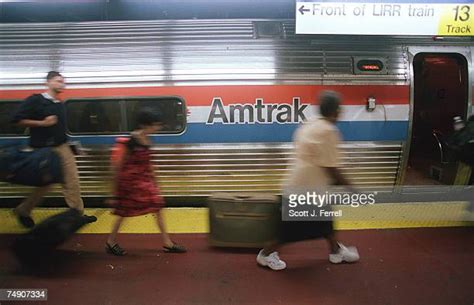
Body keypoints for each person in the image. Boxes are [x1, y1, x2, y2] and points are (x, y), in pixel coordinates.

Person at [256, 90, 360, 271]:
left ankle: (336, 251)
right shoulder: (328, 130)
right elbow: (332, 167)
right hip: (304, 190)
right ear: (336, 111)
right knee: (288, 231)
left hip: (304, 185)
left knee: (326, 222)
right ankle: (265, 255)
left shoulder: (309, 123)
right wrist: (351, 188)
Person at [11, 71, 94, 228]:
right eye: (58, 81)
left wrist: (73, 147)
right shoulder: (36, 100)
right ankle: (24, 210)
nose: (61, 84)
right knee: (45, 184)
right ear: (47, 82)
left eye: (63, 81)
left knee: (72, 181)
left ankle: (77, 214)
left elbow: (60, 131)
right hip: (44, 150)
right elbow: (16, 120)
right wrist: (42, 123)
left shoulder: (60, 105)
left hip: (62, 148)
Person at [106, 108, 186, 256]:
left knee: (157, 205)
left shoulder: (148, 139)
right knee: (124, 211)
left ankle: (167, 242)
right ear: (145, 124)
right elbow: (117, 166)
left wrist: (155, 182)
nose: (158, 127)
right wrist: (114, 192)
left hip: (143, 181)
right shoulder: (130, 141)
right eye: (155, 124)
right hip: (129, 183)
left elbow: (149, 163)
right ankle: (110, 242)